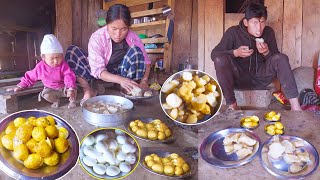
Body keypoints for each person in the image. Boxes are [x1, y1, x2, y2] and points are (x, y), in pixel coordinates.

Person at [211, 3, 302, 111]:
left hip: (261, 78)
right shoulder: (233, 32)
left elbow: (276, 59)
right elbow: (214, 54)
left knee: (281, 58)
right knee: (220, 59)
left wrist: (266, 52)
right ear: (246, 22)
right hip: (238, 78)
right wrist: (235, 53)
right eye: (255, 22)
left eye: (262, 22)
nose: (259, 27)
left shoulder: (268, 32)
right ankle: (233, 105)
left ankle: (296, 107)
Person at [65, 4, 151, 105]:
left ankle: (128, 89)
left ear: (128, 27)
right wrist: (120, 80)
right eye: (114, 28)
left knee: (136, 51)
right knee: (72, 52)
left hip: (121, 71)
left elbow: (146, 62)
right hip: (97, 73)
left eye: (123, 29)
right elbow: (97, 70)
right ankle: (88, 90)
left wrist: (144, 80)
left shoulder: (133, 37)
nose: (118, 35)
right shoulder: (97, 37)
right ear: (107, 24)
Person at [7, 34, 77, 108]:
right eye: (52, 58)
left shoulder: (63, 65)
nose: (56, 61)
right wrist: (21, 85)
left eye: (58, 57)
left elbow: (69, 75)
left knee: (73, 90)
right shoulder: (40, 67)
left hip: (64, 87)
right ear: (43, 57)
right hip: (51, 89)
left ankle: (72, 101)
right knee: (46, 95)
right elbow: (30, 76)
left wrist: (70, 88)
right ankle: (56, 100)